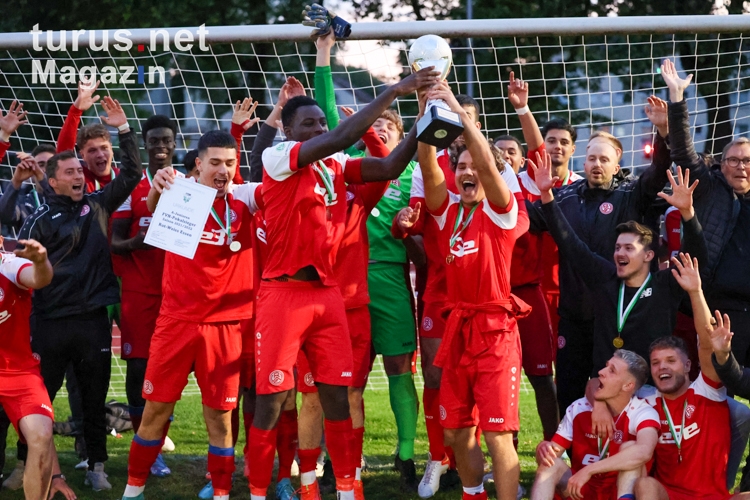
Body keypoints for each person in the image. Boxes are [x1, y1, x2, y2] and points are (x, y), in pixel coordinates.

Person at [247, 65, 439, 500]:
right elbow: (335, 139)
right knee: (272, 403)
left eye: (320, 121)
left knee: (338, 397)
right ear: (291, 130)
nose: (318, 127)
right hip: (283, 292)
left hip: (328, 296)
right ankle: (259, 491)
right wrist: (396, 89)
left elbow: (390, 164)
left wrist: (423, 121)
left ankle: (342, 489)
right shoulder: (276, 160)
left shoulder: (335, 165)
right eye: (308, 123)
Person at [120, 124, 263, 500]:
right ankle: (132, 490)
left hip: (227, 326)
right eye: (215, 162)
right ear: (197, 165)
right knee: (155, 411)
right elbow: (152, 206)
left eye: (230, 163)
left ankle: (220, 493)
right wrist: (158, 184)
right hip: (176, 322)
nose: (223, 170)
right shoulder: (180, 193)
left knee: (220, 418)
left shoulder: (245, 199)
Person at [313, 30, 424, 492]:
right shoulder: (346, 171)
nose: (379, 130)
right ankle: (346, 459)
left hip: (392, 281)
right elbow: (331, 119)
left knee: (401, 367)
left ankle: (405, 453)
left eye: (388, 128)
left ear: (399, 138)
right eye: (373, 126)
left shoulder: (410, 174)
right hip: (345, 286)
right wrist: (323, 57)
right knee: (347, 381)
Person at [17, 96, 141, 491]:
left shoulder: (97, 205)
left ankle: (96, 467)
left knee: (93, 396)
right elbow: (19, 272)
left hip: (91, 322)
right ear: (52, 180)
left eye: (79, 171)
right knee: (38, 402)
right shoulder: (37, 220)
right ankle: (25, 466)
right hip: (49, 323)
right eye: (69, 170)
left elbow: (133, 173)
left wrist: (124, 129)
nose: (77, 176)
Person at [417, 80, 529, 500]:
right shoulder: (447, 210)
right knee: (456, 429)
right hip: (458, 329)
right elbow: (429, 166)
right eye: (459, 166)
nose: (467, 172)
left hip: (496, 334)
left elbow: (486, 165)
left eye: (473, 166)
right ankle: (472, 493)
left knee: (499, 435)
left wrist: (460, 114)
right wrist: (427, 112)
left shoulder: (501, 211)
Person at [526, 112, 671, 414]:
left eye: (604, 160)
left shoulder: (631, 195)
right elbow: (521, 216)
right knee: (568, 390)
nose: (596, 165)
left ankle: (625, 452)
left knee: (619, 392)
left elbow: (657, 174)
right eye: (592, 158)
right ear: (583, 162)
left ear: (616, 165)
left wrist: (663, 132)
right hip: (574, 316)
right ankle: (573, 454)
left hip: (618, 318)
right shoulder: (563, 198)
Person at [530, 153, 704, 375]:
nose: (620, 253)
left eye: (629, 248)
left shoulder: (666, 284)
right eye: (617, 247)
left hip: (650, 390)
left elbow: (697, 254)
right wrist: (546, 195)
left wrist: (688, 213)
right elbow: (571, 244)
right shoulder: (605, 278)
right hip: (607, 385)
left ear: (649, 255)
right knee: (575, 408)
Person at [663, 57, 750, 490]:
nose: (740, 166)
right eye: (733, 159)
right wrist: (678, 98)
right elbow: (682, 151)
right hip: (712, 310)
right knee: (717, 400)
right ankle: (707, 480)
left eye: (747, 161)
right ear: (723, 164)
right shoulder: (712, 187)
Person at [392, 92, 484, 498]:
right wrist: (403, 225)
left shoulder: (492, 168)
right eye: (452, 119)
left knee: (478, 375)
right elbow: (413, 224)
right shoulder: (426, 168)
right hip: (439, 290)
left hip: (481, 292)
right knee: (433, 373)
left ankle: (476, 453)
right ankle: (437, 456)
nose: (460, 129)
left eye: (467, 119)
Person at [633, 253, 748, 499]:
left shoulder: (706, 391)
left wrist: (695, 292)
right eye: (656, 363)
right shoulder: (645, 403)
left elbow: (706, 345)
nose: (662, 367)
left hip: (712, 496)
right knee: (645, 486)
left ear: (687, 365)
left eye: (671, 361)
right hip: (669, 495)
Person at [110, 114, 178, 479]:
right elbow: (116, 242)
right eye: (153, 141)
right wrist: (138, 243)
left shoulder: (189, 185)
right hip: (139, 294)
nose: (160, 146)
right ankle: (145, 445)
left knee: (173, 371)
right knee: (139, 369)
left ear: (175, 141)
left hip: (180, 294)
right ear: (146, 144)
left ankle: (160, 441)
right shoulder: (132, 186)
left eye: (166, 139)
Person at [0, 231, 78, 500]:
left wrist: (41, 262)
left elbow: (38, 278)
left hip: (18, 371)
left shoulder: (9, 265)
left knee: (41, 435)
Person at [531, 350, 659, 500]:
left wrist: (589, 470)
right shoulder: (579, 408)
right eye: (606, 366)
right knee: (551, 464)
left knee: (631, 449)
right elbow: (550, 456)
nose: (601, 372)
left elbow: (644, 451)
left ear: (627, 385)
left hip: (617, 491)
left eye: (612, 371)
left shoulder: (642, 412)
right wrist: (543, 451)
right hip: (581, 490)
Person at [56, 80, 120, 192]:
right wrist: (76, 111)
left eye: (104, 148)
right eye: (92, 150)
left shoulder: (124, 178)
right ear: (82, 155)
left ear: (112, 149)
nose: (100, 154)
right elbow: (63, 155)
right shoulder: (80, 180)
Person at [0, 145, 53, 232]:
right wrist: (16, 181)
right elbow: (3, 216)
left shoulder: (69, 198)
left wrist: (42, 178)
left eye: (51, 164)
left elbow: (57, 198)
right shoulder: (25, 202)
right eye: (41, 165)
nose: (46, 169)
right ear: (32, 170)